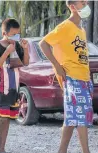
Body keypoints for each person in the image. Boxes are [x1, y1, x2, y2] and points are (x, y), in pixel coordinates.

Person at [39, 1, 93, 153]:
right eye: (82, 1)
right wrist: (57, 66)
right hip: (73, 78)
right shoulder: (65, 26)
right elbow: (43, 44)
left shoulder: (80, 29)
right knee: (81, 119)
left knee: (70, 120)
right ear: (72, 7)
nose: (86, 3)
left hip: (84, 78)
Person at [0, 18, 29, 153]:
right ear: (4, 33)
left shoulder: (17, 45)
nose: (16, 37)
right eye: (13, 34)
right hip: (1, 87)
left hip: (14, 86)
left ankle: (1, 149)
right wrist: (7, 51)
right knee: (2, 118)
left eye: (18, 34)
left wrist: (25, 49)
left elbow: (25, 62)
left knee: (8, 119)